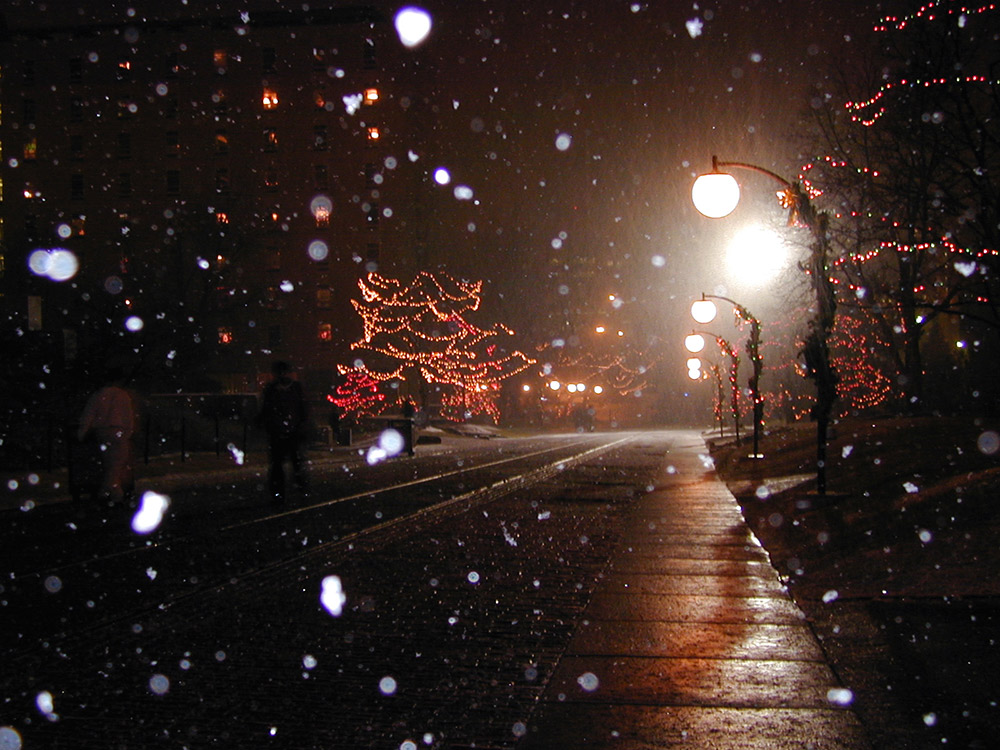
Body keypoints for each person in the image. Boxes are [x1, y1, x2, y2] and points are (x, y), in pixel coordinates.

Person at [77, 366, 136, 504]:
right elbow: (128, 417)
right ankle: (111, 492)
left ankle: (109, 492)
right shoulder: (123, 396)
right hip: (118, 432)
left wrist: (82, 432)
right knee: (117, 463)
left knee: (109, 464)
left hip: (102, 431)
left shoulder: (98, 395)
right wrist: (128, 432)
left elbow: (88, 415)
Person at [257, 361, 309, 503]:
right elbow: (265, 411)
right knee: (282, 464)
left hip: (290, 431)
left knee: (291, 462)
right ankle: (283, 491)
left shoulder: (290, 389)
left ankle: (295, 489)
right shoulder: (273, 390)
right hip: (280, 431)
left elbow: (303, 410)